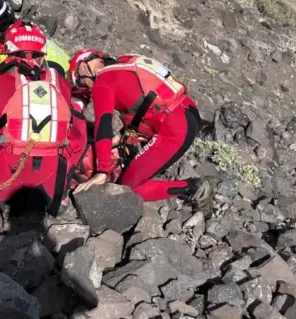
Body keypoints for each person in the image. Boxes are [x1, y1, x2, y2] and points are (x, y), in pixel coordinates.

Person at [0, 22, 89, 213]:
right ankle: (63, 190)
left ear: (9, 52)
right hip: (51, 185)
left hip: (6, 185)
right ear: (42, 55)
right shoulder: (60, 83)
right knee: (77, 120)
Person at [69, 50, 213, 210]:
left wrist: (101, 171)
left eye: (81, 82)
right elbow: (142, 107)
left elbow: (103, 125)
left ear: (84, 69)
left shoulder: (102, 83)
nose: (85, 86)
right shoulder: (124, 63)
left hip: (175, 129)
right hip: (187, 110)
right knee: (135, 164)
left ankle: (191, 188)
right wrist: (122, 138)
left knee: (127, 188)